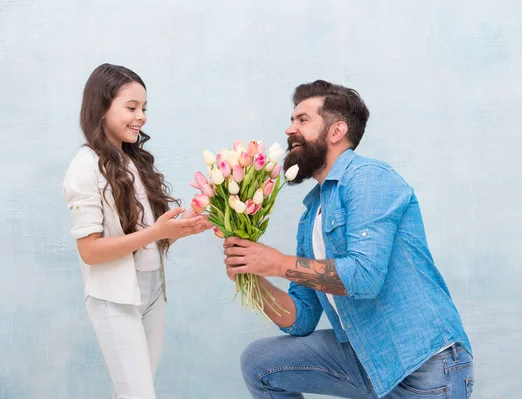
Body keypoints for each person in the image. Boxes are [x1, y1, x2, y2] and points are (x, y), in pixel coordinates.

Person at [223, 80, 474, 398]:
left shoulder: (369, 178)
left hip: (423, 366)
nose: (289, 130)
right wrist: (254, 276)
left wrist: (277, 262)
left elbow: (365, 277)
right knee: (260, 362)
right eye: (291, 120)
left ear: (336, 131)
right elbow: (300, 319)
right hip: (367, 359)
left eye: (302, 120)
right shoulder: (312, 213)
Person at [63, 63, 212, 398]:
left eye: (143, 108)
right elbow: (90, 251)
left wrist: (194, 214)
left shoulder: (133, 162)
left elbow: (152, 238)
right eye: (131, 108)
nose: (141, 116)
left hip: (152, 293)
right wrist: (156, 233)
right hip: (115, 300)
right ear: (101, 107)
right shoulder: (84, 167)